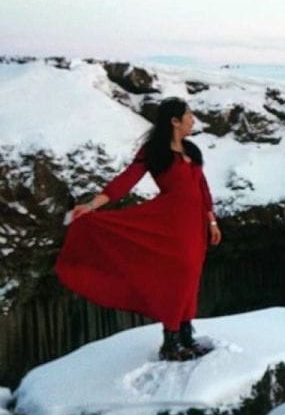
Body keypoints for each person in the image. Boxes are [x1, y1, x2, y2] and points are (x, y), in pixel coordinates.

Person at [54, 96, 222, 361]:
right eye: (189, 115)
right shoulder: (154, 152)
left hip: (195, 225)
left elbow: (202, 188)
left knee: (192, 277)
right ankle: (170, 343)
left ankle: (186, 336)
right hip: (170, 224)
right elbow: (126, 181)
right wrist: (93, 205)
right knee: (180, 278)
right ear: (175, 121)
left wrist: (211, 221)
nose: (193, 120)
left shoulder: (192, 150)